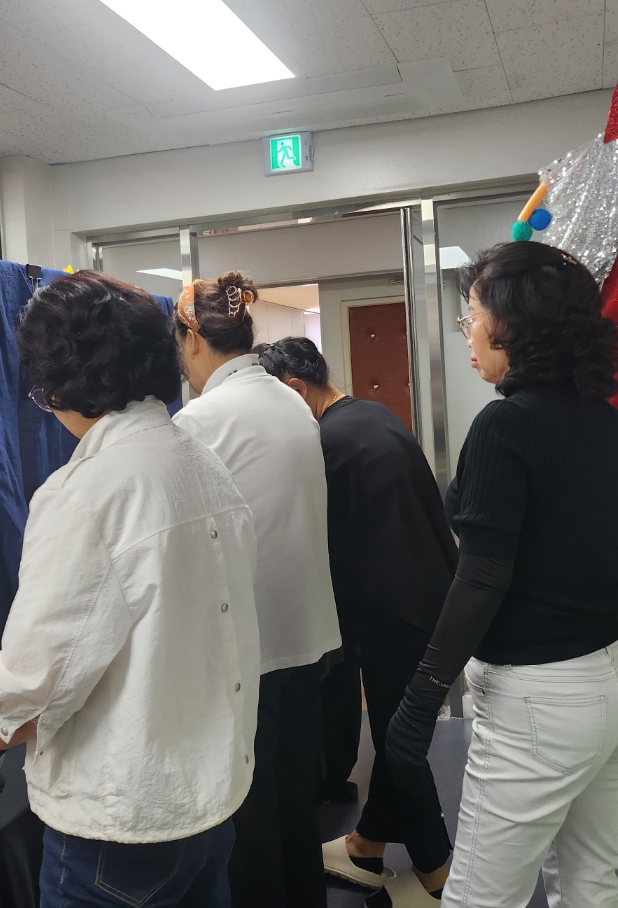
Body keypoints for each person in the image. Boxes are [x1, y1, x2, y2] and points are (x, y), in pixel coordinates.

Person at [0, 271, 261, 908]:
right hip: (212, 796)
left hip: (123, 821)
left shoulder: (87, 493)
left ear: (61, 383)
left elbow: (41, 670)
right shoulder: (204, 465)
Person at [384, 241, 618, 908]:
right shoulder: (613, 428)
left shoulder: (506, 425)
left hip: (542, 699)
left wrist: (421, 698)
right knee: (589, 884)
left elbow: (483, 576)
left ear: (515, 324)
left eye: (473, 315)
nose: (467, 332)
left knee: (479, 898)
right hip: (615, 680)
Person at [256, 337, 457, 902]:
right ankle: (367, 844)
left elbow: (326, 542)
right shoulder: (372, 415)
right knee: (397, 731)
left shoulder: (328, 442)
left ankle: (436, 873)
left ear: (296, 389)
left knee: (399, 743)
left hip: (397, 612)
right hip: (429, 602)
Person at [172, 271, 341, 908]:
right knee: (296, 802)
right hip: (307, 635)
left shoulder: (202, 419)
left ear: (193, 339)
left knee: (250, 819)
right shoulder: (288, 400)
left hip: (251, 650)